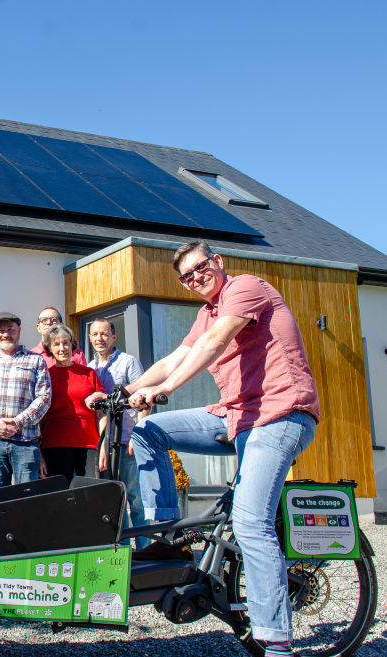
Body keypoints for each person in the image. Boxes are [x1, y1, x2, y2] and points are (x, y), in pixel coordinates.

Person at [125, 240, 319, 656]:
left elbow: (215, 342)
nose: (196, 278)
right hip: (234, 418)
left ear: (218, 262)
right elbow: (174, 358)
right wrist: (125, 392)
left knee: (252, 524)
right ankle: (168, 538)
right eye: (188, 276)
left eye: (201, 267)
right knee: (148, 431)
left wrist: (164, 390)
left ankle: (278, 643)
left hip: (280, 416)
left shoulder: (245, 287)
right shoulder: (204, 312)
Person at [86, 317, 151, 549]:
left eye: (104, 334)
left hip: (126, 442)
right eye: (94, 334)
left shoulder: (128, 362)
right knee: (112, 503)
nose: (99, 339)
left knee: (136, 500)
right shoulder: (89, 368)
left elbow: (144, 401)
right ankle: (120, 553)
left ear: (114, 337)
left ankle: (146, 552)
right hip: (103, 446)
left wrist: (138, 436)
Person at [0, 312, 51, 487]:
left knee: (27, 498)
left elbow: (44, 398)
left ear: (19, 331)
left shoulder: (36, 360)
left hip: (26, 441)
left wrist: (17, 423)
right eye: (0, 330)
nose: (5, 334)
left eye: (10, 329)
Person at [37, 324, 105, 485]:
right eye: (56, 344)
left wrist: (104, 446)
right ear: (49, 348)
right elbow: (39, 418)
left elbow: (101, 415)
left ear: (72, 345)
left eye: (66, 342)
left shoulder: (89, 373)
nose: (62, 348)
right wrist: (38, 453)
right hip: (55, 444)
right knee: (60, 496)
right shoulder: (45, 376)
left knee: (90, 493)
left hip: (89, 442)